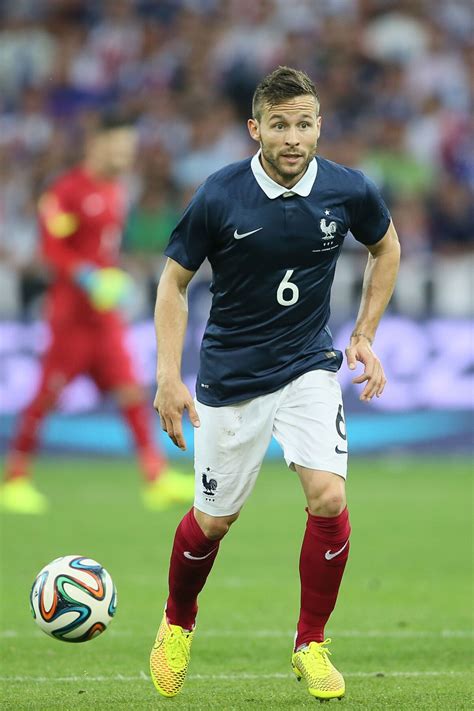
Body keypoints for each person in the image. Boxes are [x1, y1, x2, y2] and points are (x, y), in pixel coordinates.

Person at [149, 67, 400, 701]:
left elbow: (386, 246)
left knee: (329, 498)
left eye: (305, 123)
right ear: (255, 128)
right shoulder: (219, 195)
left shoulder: (347, 190)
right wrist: (167, 375)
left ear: (320, 125)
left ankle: (310, 643)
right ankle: (178, 622)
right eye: (281, 125)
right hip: (232, 377)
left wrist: (364, 334)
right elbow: (173, 282)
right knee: (211, 523)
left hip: (309, 365)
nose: (294, 138)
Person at [0, 113, 194, 514]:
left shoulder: (115, 190)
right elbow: (52, 247)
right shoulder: (67, 191)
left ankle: (155, 478)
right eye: (118, 146)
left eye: (128, 147)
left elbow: (102, 247)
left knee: (131, 394)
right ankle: (15, 480)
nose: (125, 154)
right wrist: (86, 277)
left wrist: (112, 277)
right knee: (45, 397)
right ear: (96, 145)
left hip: (104, 319)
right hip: (71, 318)